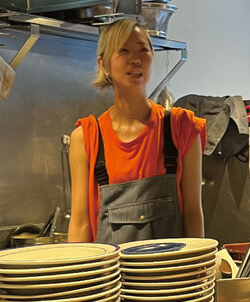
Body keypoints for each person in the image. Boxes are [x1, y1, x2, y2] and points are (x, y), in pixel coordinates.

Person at [67, 17, 206, 244]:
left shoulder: (182, 127)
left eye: (143, 50)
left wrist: (196, 272)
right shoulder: (86, 137)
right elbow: (81, 221)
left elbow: (193, 213)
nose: (135, 59)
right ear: (103, 64)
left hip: (172, 276)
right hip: (110, 277)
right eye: (123, 50)